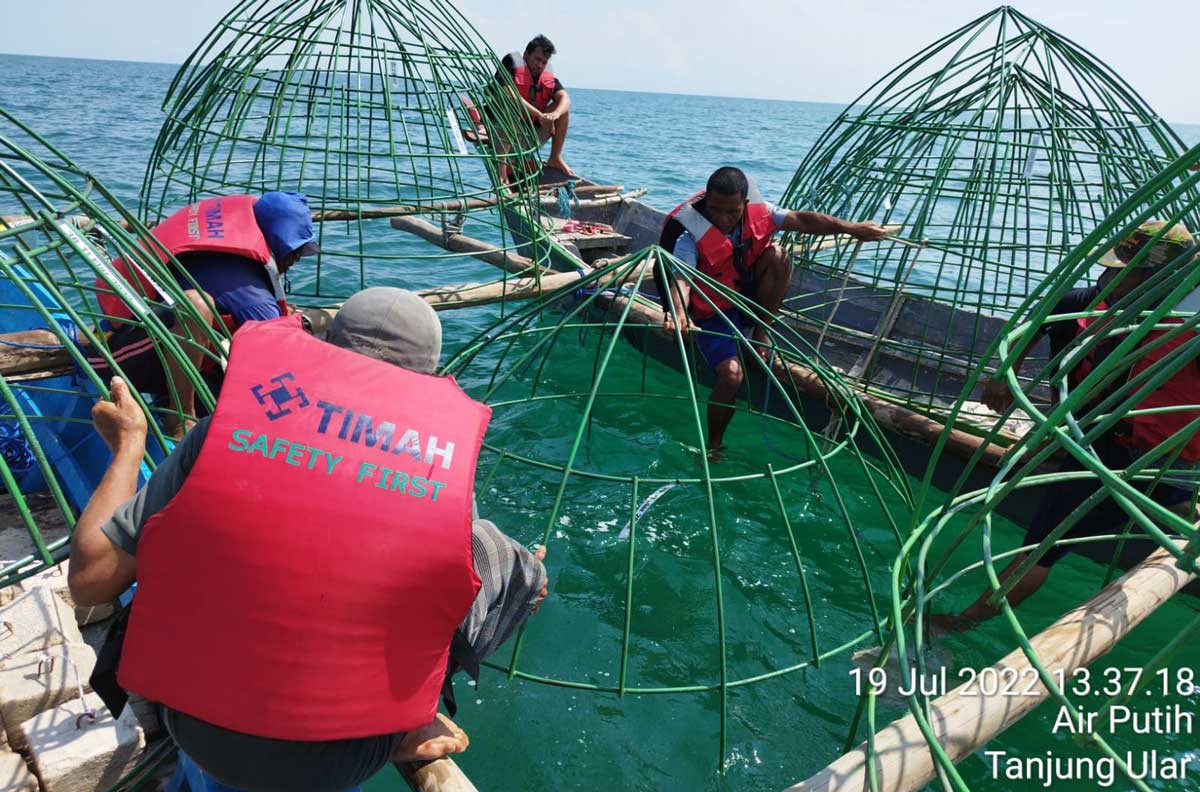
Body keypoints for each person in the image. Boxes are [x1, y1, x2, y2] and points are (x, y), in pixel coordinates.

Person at [68, 288, 549, 791]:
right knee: (510, 565)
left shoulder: (220, 433)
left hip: (192, 725)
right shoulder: (441, 475)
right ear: (428, 377)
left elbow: (90, 581)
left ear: (326, 348)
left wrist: (129, 444)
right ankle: (407, 726)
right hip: (341, 759)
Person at [935, 221, 1199, 631]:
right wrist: (1006, 372)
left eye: (1120, 271)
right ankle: (1052, 441)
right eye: (1110, 268)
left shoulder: (1185, 332)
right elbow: (1045, 313)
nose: (1106, 276)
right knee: (1076, 343)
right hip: (1097, 433)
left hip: (1145, 461)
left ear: (1156, 279)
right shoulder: (1101, 303)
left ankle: (962, 621)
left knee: (1042, 544)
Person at [658, 166, 887, 458]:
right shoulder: (689, 235)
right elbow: (682, 277)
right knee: (731, 377)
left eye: (733, 212)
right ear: (707, 203)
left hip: (744, 300)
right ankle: (714, 446)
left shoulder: (762, 212)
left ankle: (760, 333)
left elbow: (803, 220)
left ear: (745, 204)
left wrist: (850, 228)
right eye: (716, 210)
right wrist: (679, 312)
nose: (723, 219)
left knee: (778, 255)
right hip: (711, 312)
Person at [87, 192, 320, 437]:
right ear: (278, 242)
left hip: (148, 330)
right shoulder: (249, 292)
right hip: (117, 352)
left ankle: (178, 394)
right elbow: (281, 354)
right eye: (295, 250)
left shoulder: (232, 247)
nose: (295, 260)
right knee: (197, 305)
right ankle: (179, 417)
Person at [496, 35, 573, 177]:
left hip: (526, 136)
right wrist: (540, 115)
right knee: (512, 110)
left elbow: (566, 99)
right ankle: (502, 170)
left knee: (563, 111)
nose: (540, 65)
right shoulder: (511, 63)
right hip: (499, 131)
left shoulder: (547, 77)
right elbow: (511, 96)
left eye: (544, 62)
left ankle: (555, 157)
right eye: (537, 59)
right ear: (526, 54)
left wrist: (553, 115)